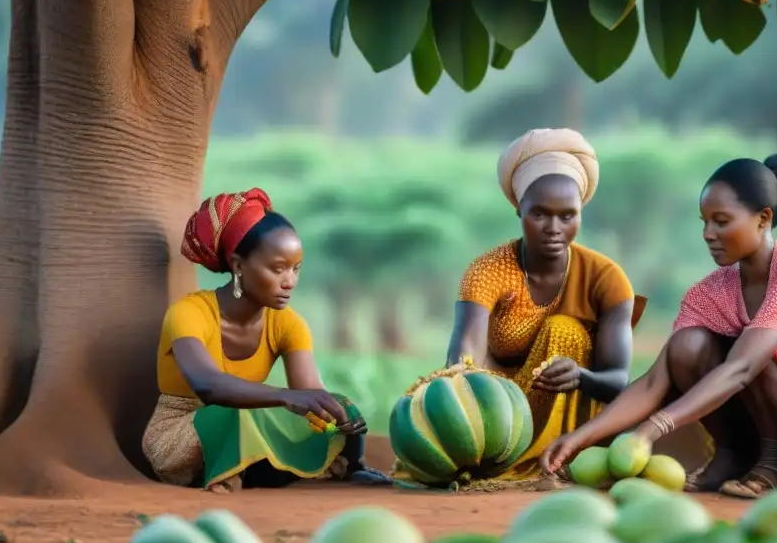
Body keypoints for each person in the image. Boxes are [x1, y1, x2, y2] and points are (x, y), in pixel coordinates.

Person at [540, 154, 777, 499]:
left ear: (763, 219)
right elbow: (654, 382)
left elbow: (742, 368)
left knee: (765, 346)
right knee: (687, 346)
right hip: (770, 405)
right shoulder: (711, 291)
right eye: (704, 221)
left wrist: (654, 428)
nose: (708, 233)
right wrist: (581, 438)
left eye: (721, 221)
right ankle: (735, 454)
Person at [141, 189, 389, 492]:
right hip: (182, 435)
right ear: (238, 265)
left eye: (296, 268)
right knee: (233, 417)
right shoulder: (189, 313)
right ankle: (245, 471)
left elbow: (309, 394)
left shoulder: (288, 324)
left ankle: (352, 467)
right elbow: (209, 386)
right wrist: (286, 397)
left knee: (339, 405)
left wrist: (336, 416)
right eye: (278, 268)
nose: (290, 281)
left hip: (245, 422)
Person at [442, 128, 646, 480]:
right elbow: (461, 362)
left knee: (565, 331)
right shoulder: (488, 272)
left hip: (574, 420)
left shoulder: (606, 279)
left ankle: (555, 461)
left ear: (580, 214)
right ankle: (501, 460)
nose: (554, 228)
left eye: (567, 216)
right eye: (539, 214)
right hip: (498, 414)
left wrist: (580, 376)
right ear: (518, 209)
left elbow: (616, 381)